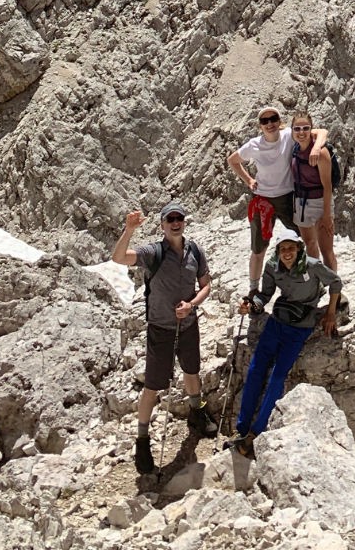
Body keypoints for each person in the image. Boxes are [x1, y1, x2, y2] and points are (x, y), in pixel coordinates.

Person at [111, 203, 217, 474]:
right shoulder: (152, 252)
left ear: (184, 222)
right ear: (162, 225)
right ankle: (143, 440)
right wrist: (129, 230)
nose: (175, 222)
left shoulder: (195, 251)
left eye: (179, 218)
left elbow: (206, 285)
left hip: (188, 324)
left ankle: (196, 412)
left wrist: (191, 305)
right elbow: (119, 258)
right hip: (161, 327)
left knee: (192, 371)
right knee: (153, 385)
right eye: (170, 219)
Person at [228, 226, 342, 457]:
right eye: (283, 249)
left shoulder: (311, 265)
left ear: (298, 249)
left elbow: (336, 283)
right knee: (256, 369)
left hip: (300, 327)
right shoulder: (272, 267)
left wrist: (330, 312)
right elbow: (266, 294)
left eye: (291, 248)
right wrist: (253, 305)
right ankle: (241, 428)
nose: (287, 253)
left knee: (278, 376)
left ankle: (255, 433)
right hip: (277, 322)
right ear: (278, 251)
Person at [227, 105, 327, 292]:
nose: (269, 124)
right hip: (263, 200)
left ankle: (314, 281)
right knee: (258, 249)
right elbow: (233, 160)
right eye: (264, 121)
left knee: (308, 240)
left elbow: (321, 131)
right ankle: (254, 289)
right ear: (260, 126)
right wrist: (248, 179)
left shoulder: (290, 135)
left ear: (279, 122)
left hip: (288, 198)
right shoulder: (254, 145)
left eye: (273, 119)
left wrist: (317, 147)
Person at [289, 111, 337, 270]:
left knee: (326, 250)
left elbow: (327, 186)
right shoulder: (295, 147)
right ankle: (315, 285)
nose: (301, 132)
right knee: (310, 245)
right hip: (300, 203)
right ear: (292, 131)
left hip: (319, 202)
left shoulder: (321, 153)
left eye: (305, 128)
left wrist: (327, 215)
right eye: (297, 129)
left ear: (311, 129)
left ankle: (334, 290)